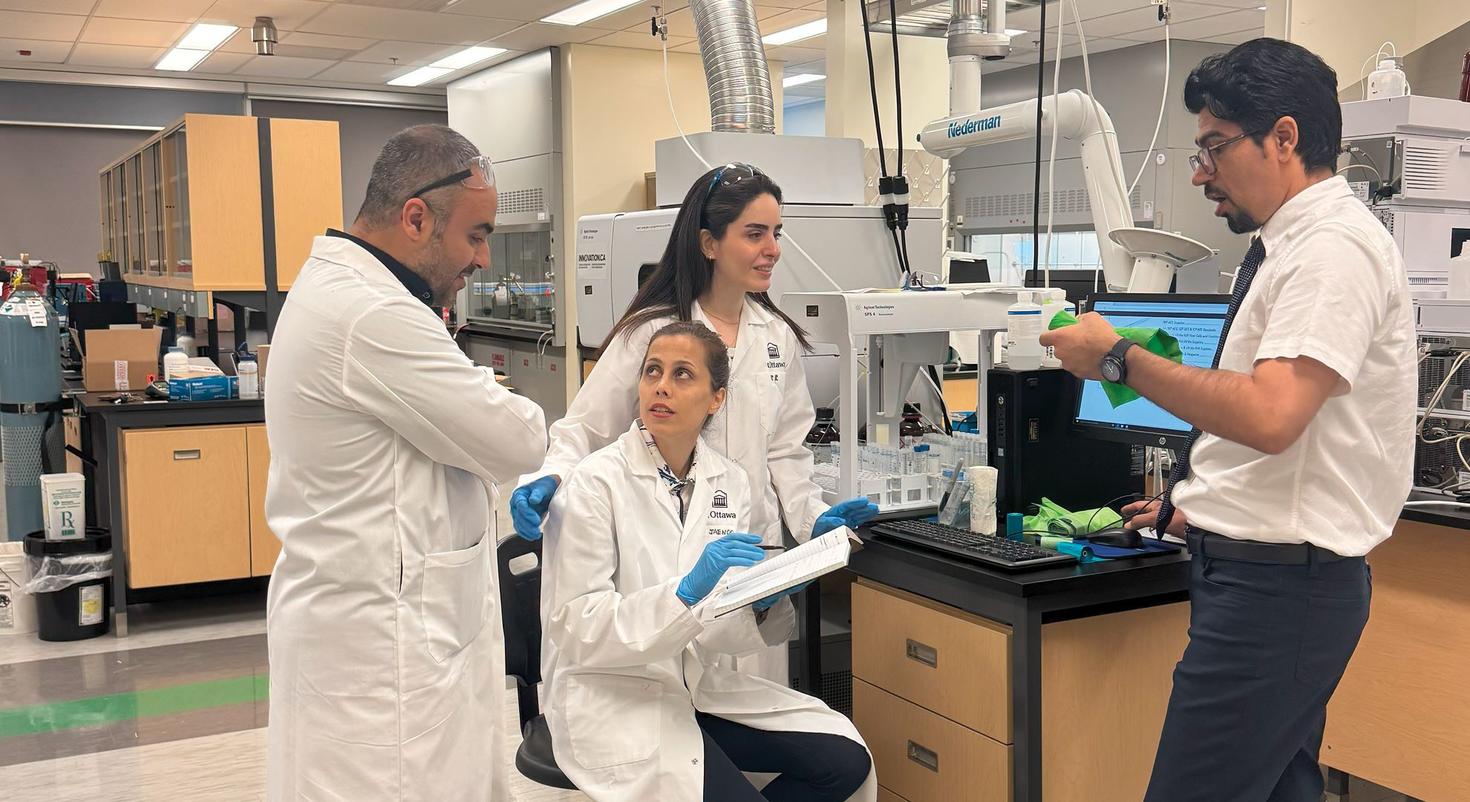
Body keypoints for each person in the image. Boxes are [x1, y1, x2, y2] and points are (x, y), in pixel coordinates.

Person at [1041, 39, 1415, 801]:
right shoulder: (1287, 250)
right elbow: (1277, 425)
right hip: (1260, 575)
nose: (1199, 173)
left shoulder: (1330, 251)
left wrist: (1119, 359)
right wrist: (1197, 508)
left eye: (1214, 147)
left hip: (1281, 594)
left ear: (1284, 138)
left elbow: (1273, 416)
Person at [264, 124, 547, 801]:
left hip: (388, 633)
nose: (482, 258)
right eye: (476, 235)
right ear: (416, 217)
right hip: (379, 655)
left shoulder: (362, 295)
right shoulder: (371, 314)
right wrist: (488, 398)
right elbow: (517, 438)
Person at [512, 163, 878, 682]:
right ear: (709, 243)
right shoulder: (654, 333)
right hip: (665, 555)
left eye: (776, 233)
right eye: (754, 234)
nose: (772, 248)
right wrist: (546, 479)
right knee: (667, 696)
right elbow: (585, 430)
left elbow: (786, 452)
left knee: (748, 710)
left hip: (750, 552)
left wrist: (811, 519)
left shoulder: (776, 337)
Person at [540, 320, 876, 802]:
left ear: (716, 398)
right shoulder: (594, 483)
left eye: (682, 375)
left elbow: (719, 629)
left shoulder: (730, 482)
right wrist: (684, 593)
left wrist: (770, 592)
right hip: (611, 694)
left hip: (694, 684)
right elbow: (576, 627)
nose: (661, 386)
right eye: (653, 371)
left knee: (844, 762)